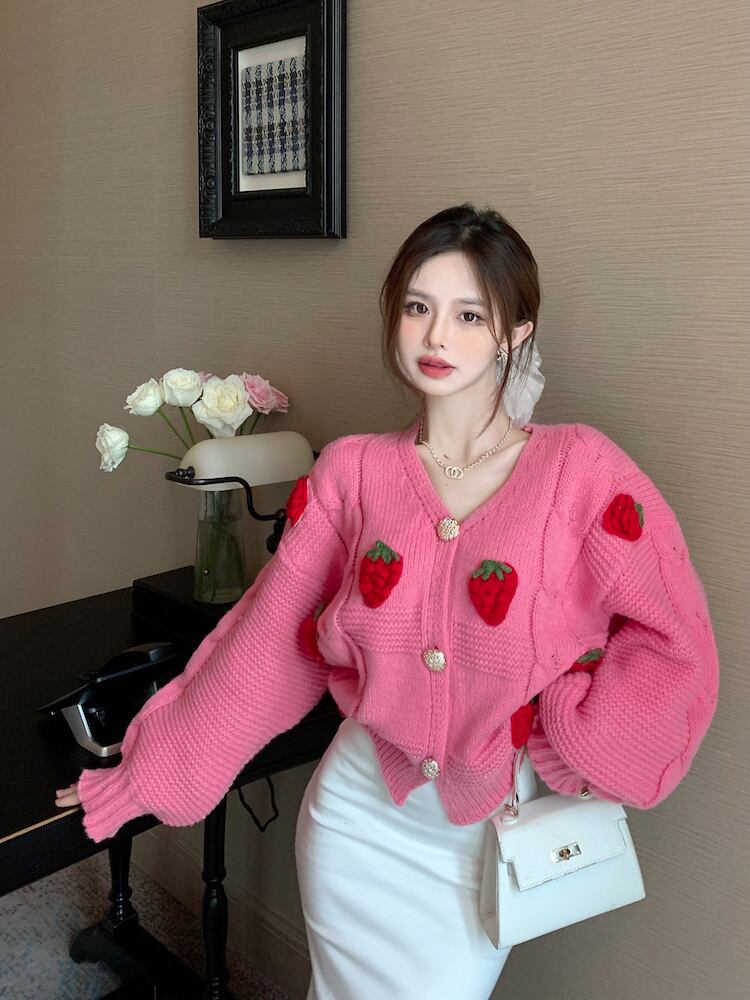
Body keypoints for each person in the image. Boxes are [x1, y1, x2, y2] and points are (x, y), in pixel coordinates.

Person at [55, 204, 720, 999]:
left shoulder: (581, 472)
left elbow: (673, 638)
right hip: (355, 817)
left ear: (515, 332)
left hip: (483, 841)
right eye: (417, 307)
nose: (436, 336)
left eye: (469, 315)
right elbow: (268, 642)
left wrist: (566, 728)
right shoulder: (352, 473)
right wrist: (151, 770)